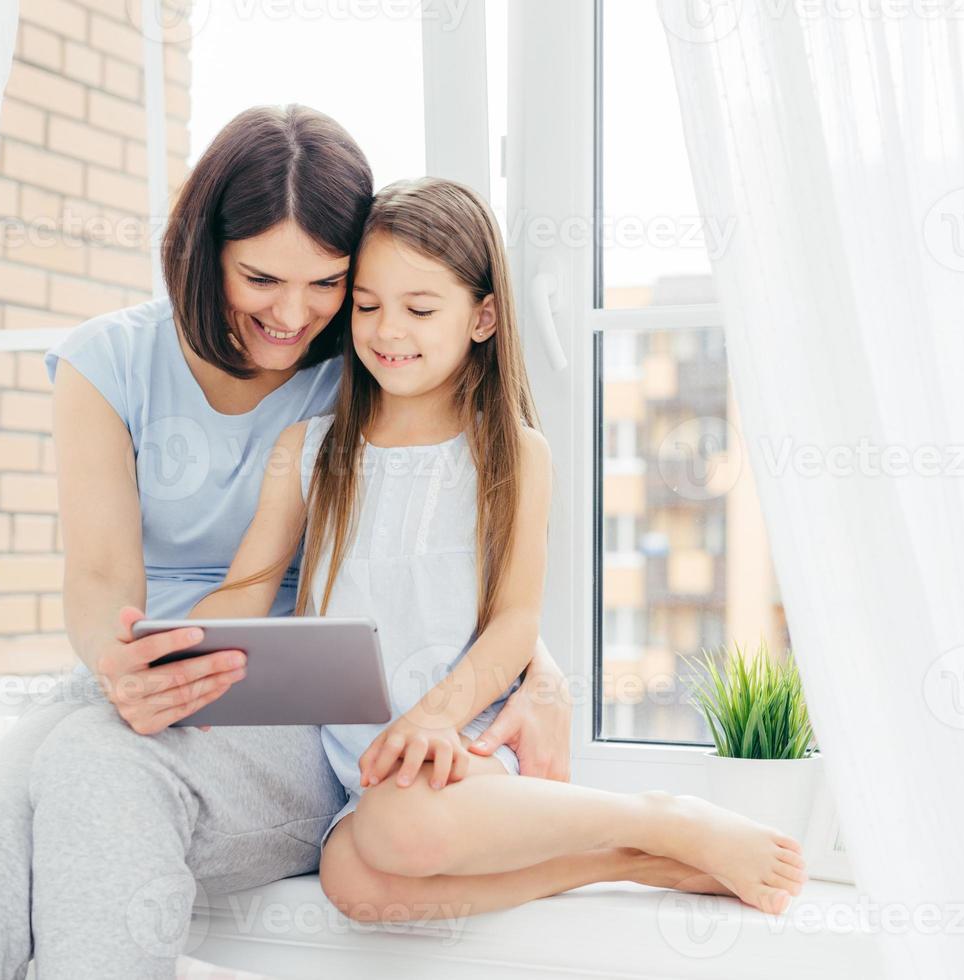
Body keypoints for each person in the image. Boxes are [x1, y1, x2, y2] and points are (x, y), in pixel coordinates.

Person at [0, 106, 573, 980]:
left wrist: (538, 670)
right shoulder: (109, 362)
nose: (294, 313)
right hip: (152, 662)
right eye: (262, 277)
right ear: (205, 255)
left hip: (306, 704)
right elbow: (96, 577)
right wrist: (122, 664)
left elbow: (444, 540)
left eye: (327, 284)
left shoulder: (367, 359)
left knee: (96, 769)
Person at [189, 177, 808, 922]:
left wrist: (438, 720)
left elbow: (515, 623)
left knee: (400, 827)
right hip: (365, 762)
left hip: (465, 739)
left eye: (420, 309)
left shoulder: (513, 453)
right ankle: (633, 863)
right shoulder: (310, 450)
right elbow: (246, 589)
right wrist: (175, 650)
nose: (389, 331)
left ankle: (658, 814)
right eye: (368, 305)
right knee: (353, 884)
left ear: (482, 316)